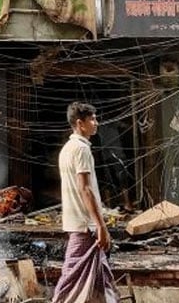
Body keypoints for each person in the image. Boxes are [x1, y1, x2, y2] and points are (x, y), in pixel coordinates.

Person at [52, 102, 119, 303]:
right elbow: (85, 188)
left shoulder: (67, 148)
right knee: (71, 277)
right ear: (80, 123)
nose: (96, 123)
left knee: (100, 276)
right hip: (84, 225)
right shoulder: (81, 149)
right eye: (92, 119)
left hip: (81, 223)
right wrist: (100, 225)